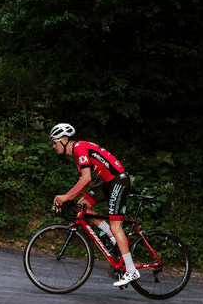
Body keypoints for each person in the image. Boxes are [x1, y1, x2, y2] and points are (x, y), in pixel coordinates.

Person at [49, 123, 140, 287]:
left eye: (55, 142)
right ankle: (111, 237)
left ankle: (131, 269)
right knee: (82, 205)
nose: (54, 146)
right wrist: (67, 199)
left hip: (118, 180)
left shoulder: (79, 147)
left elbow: (86, 179)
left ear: (63, 140)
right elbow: (81, 182)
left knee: (116, 225)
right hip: (109, 182)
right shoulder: (77, 152)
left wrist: (64, 197)